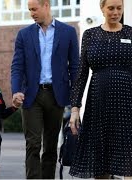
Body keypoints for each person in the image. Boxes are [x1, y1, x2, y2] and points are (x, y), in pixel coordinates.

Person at [10, 0, 79, 178]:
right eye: (29, 10)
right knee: (32, 144)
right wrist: (16, 90)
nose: (31, 13)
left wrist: (74, 102)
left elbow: (75, 68)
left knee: (50, 145)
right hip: (31, 95)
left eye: (34, 9)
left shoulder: (68, 32)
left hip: (56, 96)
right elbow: (17, 66)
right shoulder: (24, 35)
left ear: (46, 5)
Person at [69, 0, 132, 178]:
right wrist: (75, 109)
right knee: (100, 160)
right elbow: (81, 74)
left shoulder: (130, 33)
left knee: (128, 156)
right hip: (98, 102)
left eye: (119, 8)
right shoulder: (90, 35)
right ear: (102, 9)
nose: (115, 12)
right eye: (111, 8)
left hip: (127, 102)